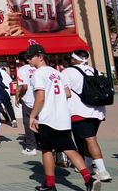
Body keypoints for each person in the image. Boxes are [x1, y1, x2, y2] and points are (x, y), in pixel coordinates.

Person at [26, 44, 99, 191]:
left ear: (40, 57)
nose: (28, 60)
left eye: (30, 57)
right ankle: (88, 178)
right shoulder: (58, 73)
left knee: (46, 150)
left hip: (48, 118)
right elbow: (67, 93)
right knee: (69, 149)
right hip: (63, 117)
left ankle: (50, 184)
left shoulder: (38, 74)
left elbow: (40, 97)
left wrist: (32, 116)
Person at [61, 49, 111, 182]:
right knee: (87, 140)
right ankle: (88, 166)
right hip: (98, 111)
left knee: (90, 140)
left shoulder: (67, 72)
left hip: (79, 111)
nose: (70, 60)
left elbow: (66, 93)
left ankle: (103, 171)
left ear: (75, 59)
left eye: (72, 58)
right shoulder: (95, 71)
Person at [16, 51, 38, 155]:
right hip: (40, 99)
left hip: (28, 100)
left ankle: (31, 147)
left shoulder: (22, 70)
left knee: (28, 123)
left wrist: (18, 96)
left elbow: (23, 86)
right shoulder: (37, 68)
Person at [0, 61, 18, 127]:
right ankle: (13, 119)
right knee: (9, 106)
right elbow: (10, 80)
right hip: (6, 91)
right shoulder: (3, 72)